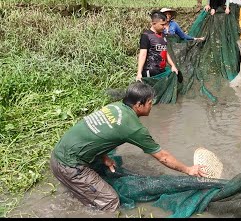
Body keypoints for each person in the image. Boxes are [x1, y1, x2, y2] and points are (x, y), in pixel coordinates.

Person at [50, 81, 207, 212]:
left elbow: (98, 133)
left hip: (59, 152)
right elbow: (163, 157)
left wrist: (105, 157)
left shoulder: (115, 107)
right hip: (67, 166)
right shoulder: (133, 128)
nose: (152, 106)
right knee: (111, 202)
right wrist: (189, 170)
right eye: (150, 103)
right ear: (139, 105)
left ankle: (81, 191)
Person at [136, 10, 179, 81]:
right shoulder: (146, 35)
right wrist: (139, 73)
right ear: (154, 23)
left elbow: (165, 52)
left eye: (165, 24)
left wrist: (173, 66)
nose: (164, 27)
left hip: (161, 70)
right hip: (150, 70)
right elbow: (143, 54)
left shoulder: (163, 35)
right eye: (162, 25)